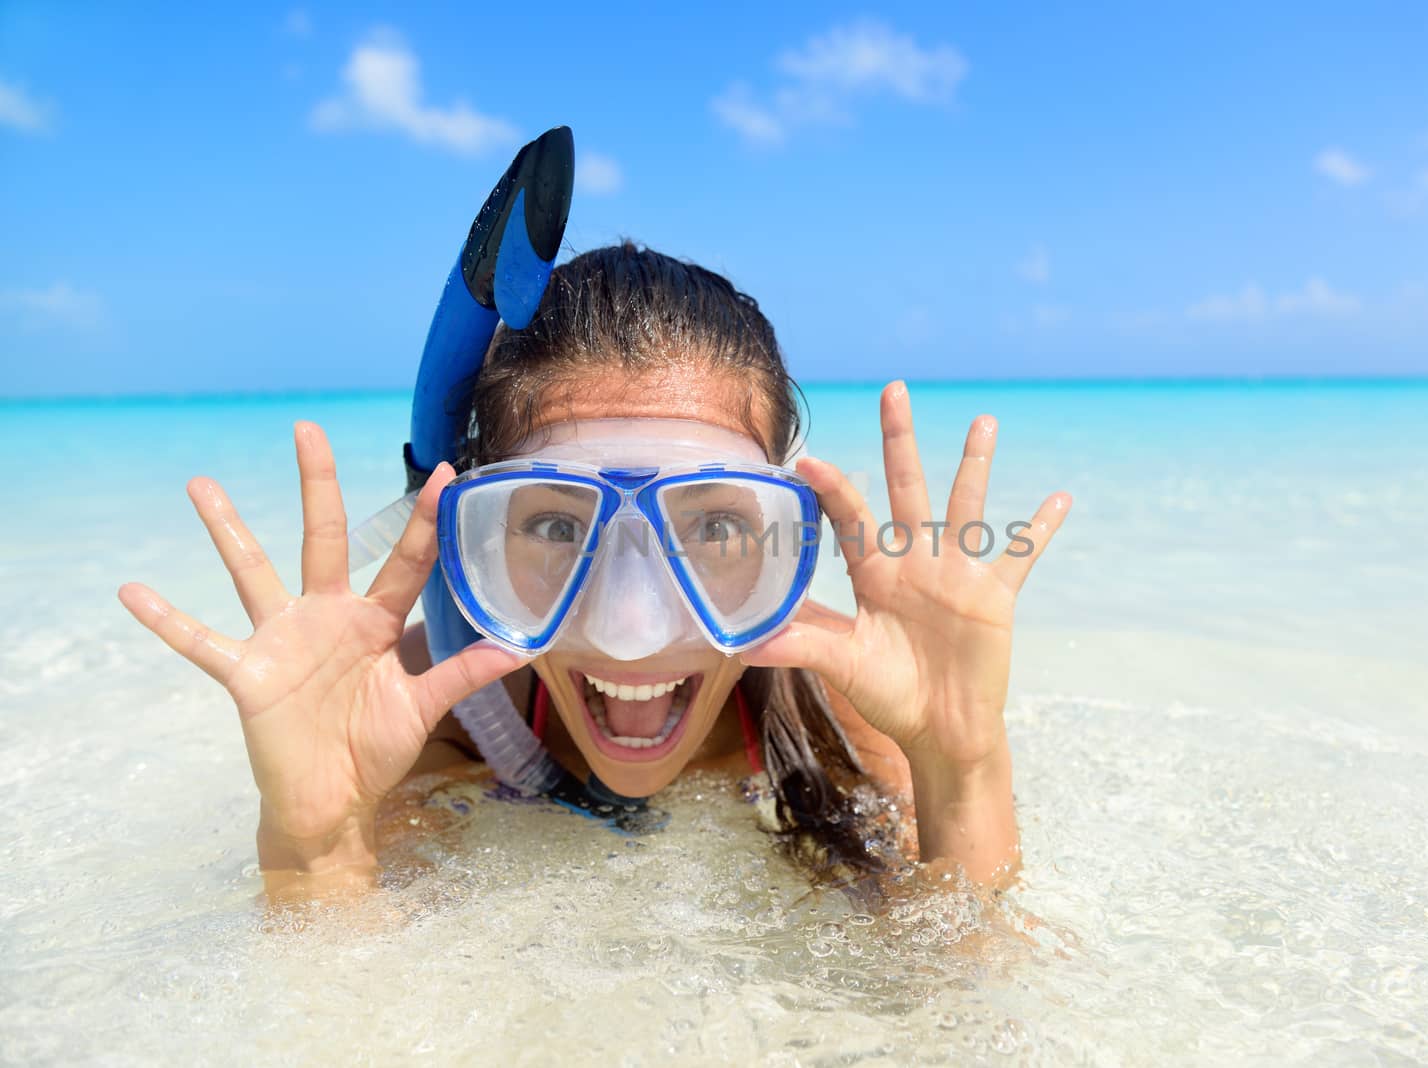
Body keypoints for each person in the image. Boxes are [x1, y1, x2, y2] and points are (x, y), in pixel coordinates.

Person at [117, 243, 1071, 902]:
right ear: (470, 544)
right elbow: (335, 1025)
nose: (632, 621)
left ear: (788, 539)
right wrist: (314, 845)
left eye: (714, 528)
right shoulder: (417, 721)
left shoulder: (844, 711)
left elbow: (970, 1007)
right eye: (553, 526)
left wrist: (963, 763)